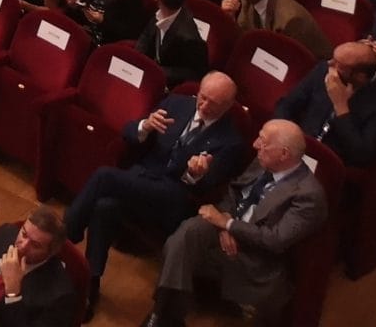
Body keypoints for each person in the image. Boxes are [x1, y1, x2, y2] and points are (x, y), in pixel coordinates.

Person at [64, 73, 247, 295]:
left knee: (104, 176)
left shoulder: (231, 141)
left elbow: (209, 187)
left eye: (213, 103)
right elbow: (128, 132)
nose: (204, 106)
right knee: (105, 206)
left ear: (228, 106)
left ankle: (65, 235)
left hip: (173, 197)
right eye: (202, 97)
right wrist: (145, 126)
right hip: (140, 180)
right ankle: (90, 283)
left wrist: (194, 174)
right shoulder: (177, 104)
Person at [148, 119, 326, 327]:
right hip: (228, 230)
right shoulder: (263, 162)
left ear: (284, 154)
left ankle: (160, 318)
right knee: (186, 234)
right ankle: (166, 317)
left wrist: (229, 225)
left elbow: (274, 240)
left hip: (254, 258)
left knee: (176, 247)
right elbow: (234, 192)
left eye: (263, 141)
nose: (255, 144)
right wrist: (225, 224)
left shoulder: (309, 195)